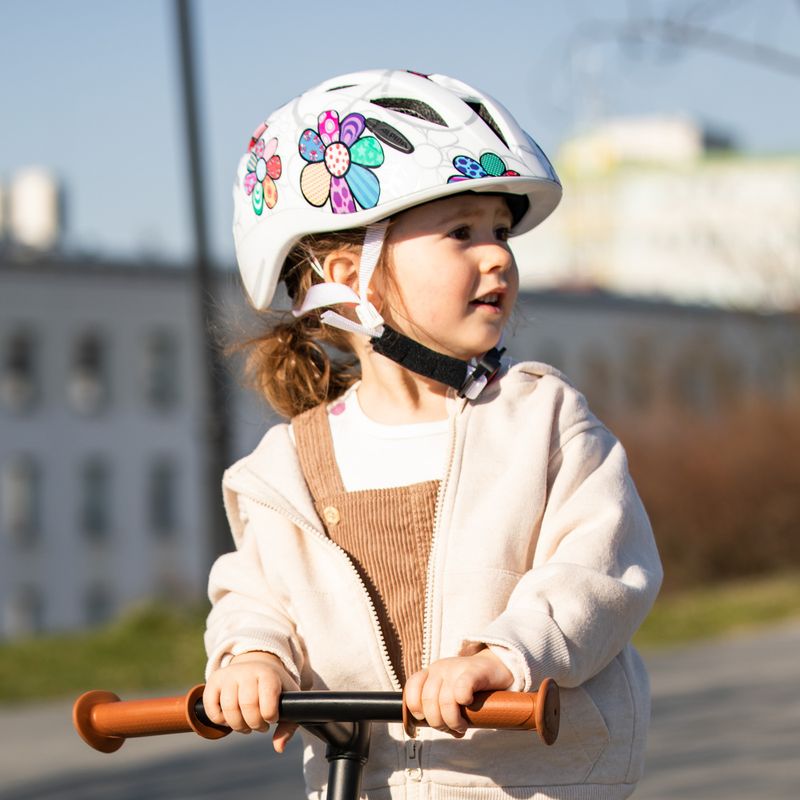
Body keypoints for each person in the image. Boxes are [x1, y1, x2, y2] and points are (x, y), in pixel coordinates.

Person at [202, 69, 662, 800]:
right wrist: (252, 656)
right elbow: (257, 592)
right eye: (461, 232)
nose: (497, 256)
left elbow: (599, 566)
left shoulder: (543, 422)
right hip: (365, 782)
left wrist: (504, 657)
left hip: (534, 784)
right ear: (352, 277)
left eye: (501, 231)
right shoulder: (285, 469)